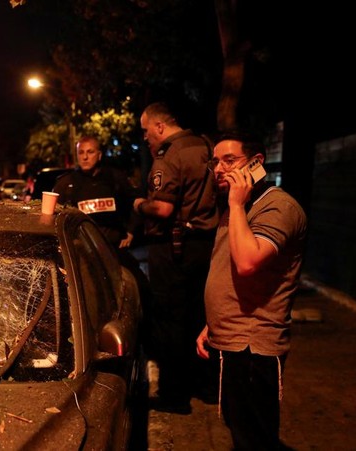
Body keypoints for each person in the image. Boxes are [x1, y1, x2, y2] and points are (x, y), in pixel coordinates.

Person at [195, 133, 307, 450]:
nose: (218, 168)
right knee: (238, 427)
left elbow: (246, 262)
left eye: (229, 160)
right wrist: (213, 323)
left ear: (256, 163)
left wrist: (235, 203)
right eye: (215, 161)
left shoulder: (277, 208)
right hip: (232, 337)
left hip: (253, 345)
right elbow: (229, 273)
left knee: (254, 438)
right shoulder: (240, 207)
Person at [132, 101, 218, 413]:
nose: (145, 138)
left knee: (169, 321)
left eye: (146, 131)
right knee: (203, 317)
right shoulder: (206, 146)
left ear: (159, 126)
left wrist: (139, 204)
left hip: (174, 247)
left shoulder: (169, 154)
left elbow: (163, 208)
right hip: (207, 246)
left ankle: (174, 395)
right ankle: (208, 387)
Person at [52, 135, 139, 249]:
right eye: (81, 152)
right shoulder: (65, 183)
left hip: (114, 247)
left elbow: (135, 203)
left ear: (99, 155)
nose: (85, 157)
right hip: (82, 249)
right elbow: (53, 215)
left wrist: (130, 231)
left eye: (90, 152)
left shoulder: (115, 178)